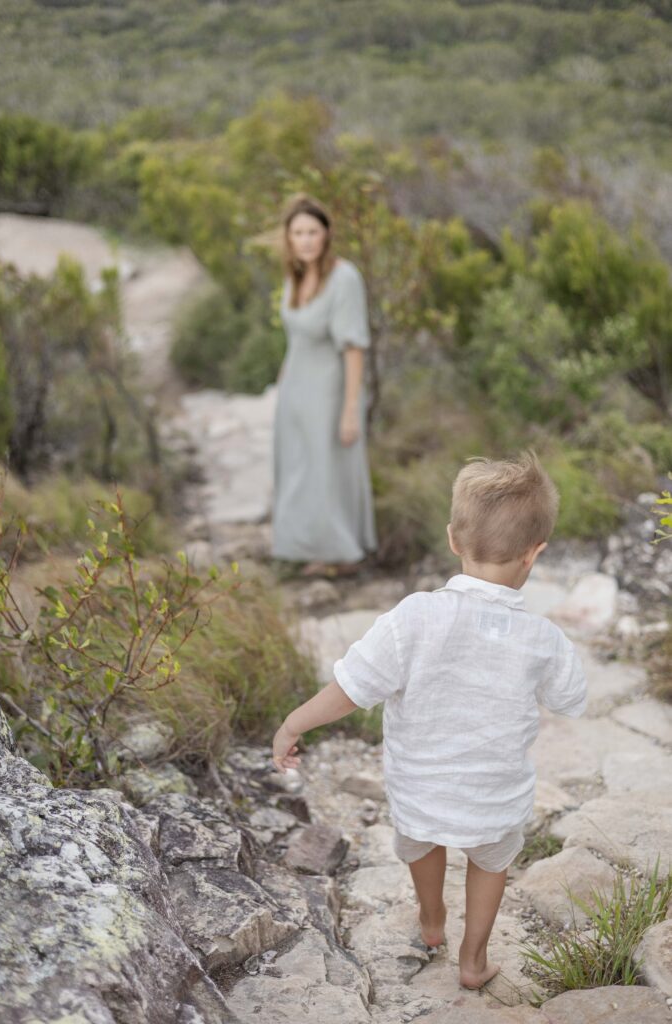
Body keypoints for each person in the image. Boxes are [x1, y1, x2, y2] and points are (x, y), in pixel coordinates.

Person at [272, 451, 587, 990]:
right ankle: (473, 958)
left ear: (453, 540)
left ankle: (431, 920)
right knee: (492, 862)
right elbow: (571, 698)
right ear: (536, 554)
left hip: (420, 787)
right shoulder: (541, 638)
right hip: (495, 793)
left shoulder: (414, 616)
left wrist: (294, 724)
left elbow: (353, 688)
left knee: (422, 843)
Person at [271, 194, 377, 577]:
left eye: (312, 232)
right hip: (295, 388)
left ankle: (338, 553)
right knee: (298, 469)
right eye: (298, 233)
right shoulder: (294, 276)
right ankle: (304, 546)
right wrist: (283, 384)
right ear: (288, 238)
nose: (305, 240)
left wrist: (350, 409)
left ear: (327, 234)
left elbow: (353, 347)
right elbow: (295, 339)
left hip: (329, 390)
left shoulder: (344, 279)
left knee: (328, 468)